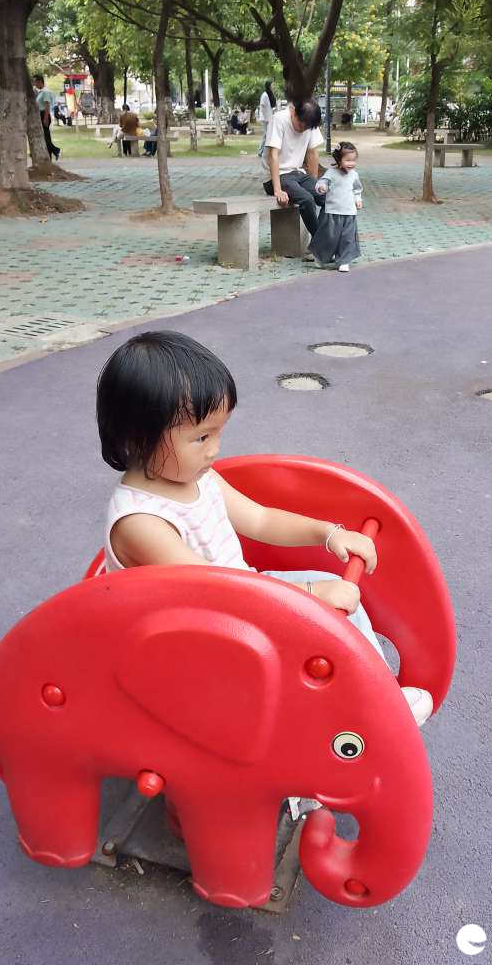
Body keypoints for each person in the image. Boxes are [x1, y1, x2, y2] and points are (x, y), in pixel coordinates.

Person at [97, 330, 434, 726]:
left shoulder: (198, 478)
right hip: (201, 635)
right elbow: (214, 591)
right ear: (138, 438)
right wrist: (309, 596)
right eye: (201, 437)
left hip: (242, 602)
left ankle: (377, 696)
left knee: (336, 593)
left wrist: (327, 533)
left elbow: (260, 519)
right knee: (322, 608)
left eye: (219, 432)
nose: (215, 449)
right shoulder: (141, 522)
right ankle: (365, 712)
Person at [262, 97, 325, 251]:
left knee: (327, 197)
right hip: (277, 176)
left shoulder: (310, 123)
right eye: (301, 124)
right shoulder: (279, 119)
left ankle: (320, 241)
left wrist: (314, 183)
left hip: (298, 174)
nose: (303, 129)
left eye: (307, 127)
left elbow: (312, 153)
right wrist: (277, 190)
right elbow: (273, 155)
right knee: (307, 199)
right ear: (293, 112)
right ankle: (322, 245)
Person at [311, 141, 363, 272]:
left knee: (347, 238)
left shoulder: (354, 175)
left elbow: (357, 189)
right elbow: (322, 182)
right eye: (347, 160)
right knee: (329, 237)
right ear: (339, 160)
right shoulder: (331, 173)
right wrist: (322, 187)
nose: (351, 163)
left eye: (353, 160)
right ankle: (321, 258)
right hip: (333, 212)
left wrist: (358, 199)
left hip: (349, 213)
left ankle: (344, 261)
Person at [32, 74, 61, 161]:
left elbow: (47, 105)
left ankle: (52, 153)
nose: (34, 84)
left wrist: (45, 118)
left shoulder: (45, 92)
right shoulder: (40, 92)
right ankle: (55, 151)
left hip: (44, 114)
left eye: (35, 82)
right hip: (40, 114)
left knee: (46, 136)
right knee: (45, 136)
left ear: (40, 81)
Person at [257, 80, 277, 156]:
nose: (273, 86)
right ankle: (260, 151)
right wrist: (266, 117)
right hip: (265, 118)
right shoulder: (264, 95)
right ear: (269, 86)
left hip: (269, 118)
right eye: (272, 85)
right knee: (266, 135)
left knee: (268, 135)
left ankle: (264, 151)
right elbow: (262, 106)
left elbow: (272, 105)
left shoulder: (270, 94)